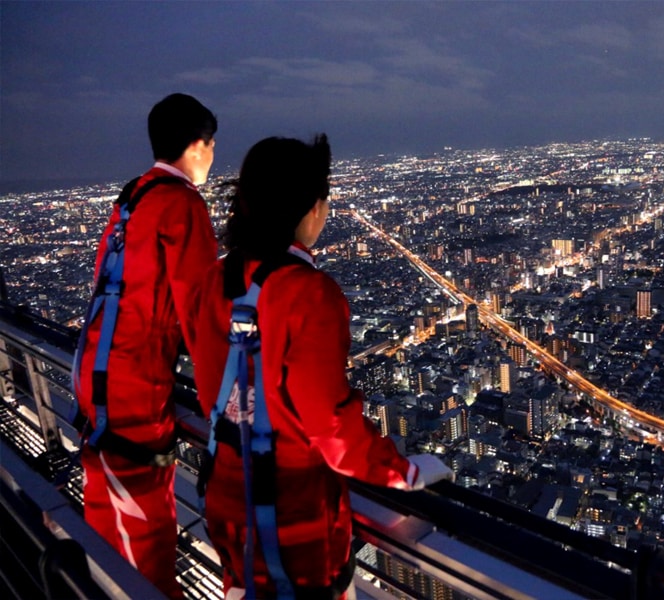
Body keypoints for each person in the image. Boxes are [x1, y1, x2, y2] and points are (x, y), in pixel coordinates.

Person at [187, 136, 453, 599]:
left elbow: (218, 389)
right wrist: (402, 472)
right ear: (310, 208)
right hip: (295, 516)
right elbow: (332, 426)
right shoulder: (309, 294)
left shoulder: (213, 279)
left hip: (227, 498)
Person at [72, 93, 218, 598]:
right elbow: (202, 317)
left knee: (104, 532)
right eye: (211, 145)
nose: (213, 156)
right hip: (135, 394)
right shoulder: (181, 204)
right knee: (146, 545)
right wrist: (225, 406)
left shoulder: (132, 196)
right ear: (197, 145)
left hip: (94, 383)